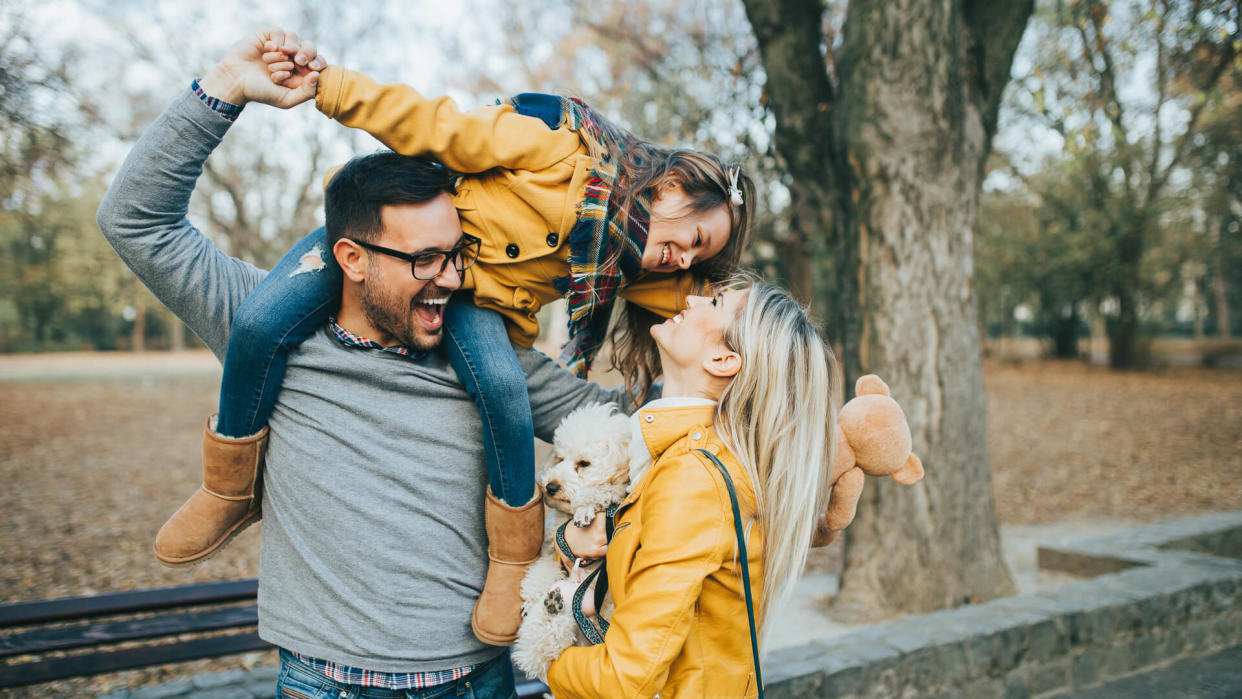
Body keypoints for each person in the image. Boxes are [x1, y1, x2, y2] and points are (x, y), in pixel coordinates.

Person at [155, 31, 757, 645]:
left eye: (696, 258)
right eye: (691, 239)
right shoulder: (554, 156)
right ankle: (228, 486)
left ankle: (511, 560)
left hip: (470, 304)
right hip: (406, 249)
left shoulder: (635, 265)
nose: (681, 260)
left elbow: (721, 318)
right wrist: (330, 88)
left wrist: (773, 365)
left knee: (501, 388)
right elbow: (437, 126)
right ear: (671, 188)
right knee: (259, 321)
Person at [98, 31, 635, 698]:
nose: (451, 279)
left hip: (474, 682)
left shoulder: (491, 355)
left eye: (456, 253)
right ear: (352, 259)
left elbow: (624, 423)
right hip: (324, 683)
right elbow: (135, 220)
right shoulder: (263, 325)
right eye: (424, 260)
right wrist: (225, 89)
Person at [545, 277, 841, 698]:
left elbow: (625, 678)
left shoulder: (693, 477)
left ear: (723, 359)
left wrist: (546, 661)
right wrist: (572, 539)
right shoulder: (685, 457)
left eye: (716, 302)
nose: (694, 298)